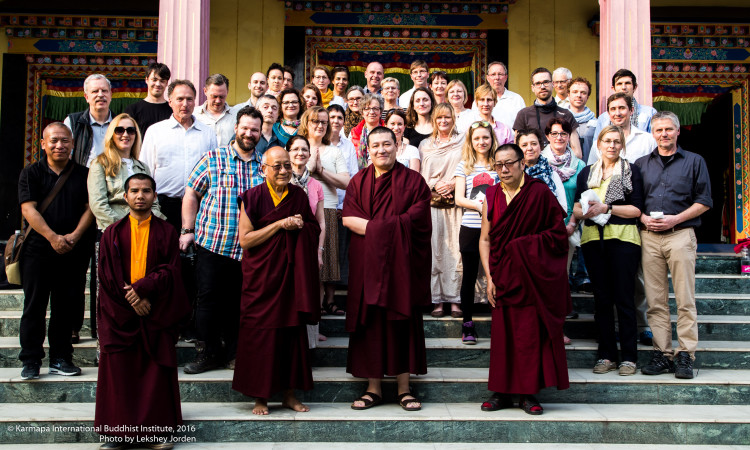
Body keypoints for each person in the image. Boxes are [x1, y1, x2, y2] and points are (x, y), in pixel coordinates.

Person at [95, 173, 191, 448]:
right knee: (120, 374)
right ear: (125, 197)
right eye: (134, 191)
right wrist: (134, 300)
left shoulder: (167, 231)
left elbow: (171, 270)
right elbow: (108, 276)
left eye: (146, 191)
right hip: (121, 313)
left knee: (154, 375)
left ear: (154, 196)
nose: (140, 196)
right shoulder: (112, 232)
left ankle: (156, 433)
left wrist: (145, 290)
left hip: (156, 311)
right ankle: (118, 433)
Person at [343, 126, 431, 412]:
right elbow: (348, 219)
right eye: (375, 145)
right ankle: (373, 388)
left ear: (398, 145)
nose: (381, 150)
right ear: (368, 149)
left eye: (387, 144)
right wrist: (387, 229)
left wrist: (378, 230)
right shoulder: (358, 181)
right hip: (367, 263)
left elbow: (418, 219)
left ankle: (405, 389)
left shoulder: (414, 181)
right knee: (371, 323)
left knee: (402, 321)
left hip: (401, 264)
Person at [479, 143, 571, 415]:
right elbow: (485, 239)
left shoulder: (539, 193)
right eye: (498, 165)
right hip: (503, 275)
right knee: (503, 336)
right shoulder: (492, 194)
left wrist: (523, 245)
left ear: (522, 164)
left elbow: (557, 236)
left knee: (529, 336)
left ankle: (528, 393)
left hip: (532, 275)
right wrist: (490, 277)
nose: (504, 169)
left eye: (509, 163)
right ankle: (501, 392)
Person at [232, 146, 321, 415]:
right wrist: (279, 225)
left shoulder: (298, 195)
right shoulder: (253, 197)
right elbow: (246, 240)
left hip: (291, 277)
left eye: (287, 166)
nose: (284, 171)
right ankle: (260, 396)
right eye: (277, 166)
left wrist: (302, 227)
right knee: (259, 335)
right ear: (264, 169)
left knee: (291, 334)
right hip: (262, 277)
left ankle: (289, 394)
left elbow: (313, 228)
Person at [180, 106, 266, 374]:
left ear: (261, 132)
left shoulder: (264, 166)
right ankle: (208, 353)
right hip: (213, 243)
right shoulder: (213, 159)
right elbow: (192, 194)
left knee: (241, 303)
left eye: (255, 129)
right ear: (236, 128)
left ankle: (234, 353)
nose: (249, 133)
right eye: (245, 128)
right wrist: (187, 229)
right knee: (207, 301)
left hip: (249, 249)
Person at [636, 111, 712, 380]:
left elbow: (704, 200)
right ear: (653, 134)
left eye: (668, 129)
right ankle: (662, 353)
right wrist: (643, 217)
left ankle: (686, 355)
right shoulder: (642, 164)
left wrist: (676, 219)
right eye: (659, 130)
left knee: (685, 299)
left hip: (681, 233)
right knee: (656, 301)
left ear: (678, 131)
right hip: (649, 236)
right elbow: (635, 202)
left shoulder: (694, 161)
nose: (664, 134)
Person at [18, 123, 94, 380]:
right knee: (34, 305)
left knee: (65, 305)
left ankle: (61, 358)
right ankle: (30, 360)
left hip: (73, 249)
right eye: (53, 141)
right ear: (43, 144)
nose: (59, 145)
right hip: (38, 249)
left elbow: (90, 208)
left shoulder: (84, 173)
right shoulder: (31, 173)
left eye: (64, 140)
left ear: (72, 143)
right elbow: (29, 209)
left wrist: (73, 236)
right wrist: (52, 237)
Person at [87, 114, 166, 343]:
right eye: (120, 130)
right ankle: (108, 342)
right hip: (113, 235)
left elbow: (155, 202)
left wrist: (159, 227)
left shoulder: (142, 166)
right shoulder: (100, 163)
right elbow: (99, 205)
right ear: (112, 134)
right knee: (113, 291)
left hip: (146, 235)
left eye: (130, 131)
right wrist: (123, 231)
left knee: (143, 284)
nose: (125, 135)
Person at [573, 125, 644, 376]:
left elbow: (636, 211)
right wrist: (587, 211)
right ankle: (606, 355)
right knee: (602, 300)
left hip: (624, 240)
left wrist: (606, 209)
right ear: (599, 144)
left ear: (622, 145)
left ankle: (629, 357)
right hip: (593, 241)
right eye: (607, 141)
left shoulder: (630, 171)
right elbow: (577, 209)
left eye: (617, 141)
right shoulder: (587, 173)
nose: (612, 145)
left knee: (624, 299)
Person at [141, 80, 217, 230]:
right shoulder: (155, 131)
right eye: (180, 99)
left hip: (198, 205)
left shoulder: (207, 133)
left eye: (189, 99)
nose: (185, 104)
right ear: (170, 101)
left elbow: (213, 171)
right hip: (163, 206)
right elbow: (145, 170)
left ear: (195, 102)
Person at [299, 106, 351, 315]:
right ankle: (315, 302)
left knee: (329, 256)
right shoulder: (299, 147)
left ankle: (329, 301)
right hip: (304, 210)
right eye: (315, 121)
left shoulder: (334, 151)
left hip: (328, 207)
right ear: (307, 123)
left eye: (324, 122)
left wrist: (321, 171)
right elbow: (299, 175)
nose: (320, 125)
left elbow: (346, 182)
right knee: (310, 258)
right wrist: (311, 164)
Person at [454, 121, 498, 344]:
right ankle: (467, 323)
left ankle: (501, 320)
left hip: (497, 228)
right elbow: (459, 198)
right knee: (469, 276)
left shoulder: (499, 164)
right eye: (477, 138)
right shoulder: (464, 166)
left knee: (498, 273)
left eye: (486, 138)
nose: (482, 142)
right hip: (471, 226)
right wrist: (482, 207)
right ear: (471, 142)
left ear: (492, 139)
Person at [419, 103, 464, 318]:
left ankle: (455, 300)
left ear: (453, 118)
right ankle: (437, 300)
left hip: (456, 203)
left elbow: (469, 167)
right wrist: (436, 186)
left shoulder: (463, 141)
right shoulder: (426, 145)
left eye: (447, 117)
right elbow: (420, 176)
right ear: (434, 121)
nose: (443, 122)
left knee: (454, 252)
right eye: (439, 118)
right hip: (433, 203)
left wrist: (454, 184)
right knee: (436, 251)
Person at [287, 135, 326, 344]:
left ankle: (310, 338)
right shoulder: (281, 182)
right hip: (286, 245)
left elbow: (321, 222)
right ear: (288, 153)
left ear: (310, 154)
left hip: (309, 244)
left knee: (309, 290)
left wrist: (319, 251)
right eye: (295, 149)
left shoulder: (315, 185)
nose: (300, 153)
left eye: (304, 149)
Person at [513, 67, 582, 158]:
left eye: (546, 82)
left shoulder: (566, 114)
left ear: (552, 84)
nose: (542, 86)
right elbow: (517, 151)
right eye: (538, 83)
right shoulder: (524, 114)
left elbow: (577, 153)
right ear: (532, 88)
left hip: (562, 168)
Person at [588, 93, 658, 165]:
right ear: (608, 114)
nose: (617, 113)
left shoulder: (648, 141)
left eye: (622, 108)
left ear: (631, 110)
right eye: (613, 109)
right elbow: (591, 172)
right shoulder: (598, 144)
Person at [591, 69, 657, 139]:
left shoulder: (650, 113)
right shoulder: (603, 118)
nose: (623, 87)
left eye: (627, 83)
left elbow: (654, 142)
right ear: (613, 88)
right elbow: (597, 144)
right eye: (619, 84)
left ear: (635, 87)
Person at [64, 74, 113, 167]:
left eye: (104, 91)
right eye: (95, 91)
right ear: (86, 97)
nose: (100, 94)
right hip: (82, 178)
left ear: (111, 95)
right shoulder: (73, 122)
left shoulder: (120, 123)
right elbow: (66, 156)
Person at [517, 128, 568, 213]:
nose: (529, 148)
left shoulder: (551, 175)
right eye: (524, 145)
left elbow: (562, 207)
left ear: (540, 146)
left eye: (533, 144)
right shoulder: (513, 175)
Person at [471, 61, 525, 129]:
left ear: (506, 77)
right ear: (488, 78)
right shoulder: (480, 101)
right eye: (493, 74)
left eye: (500, 74)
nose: (497, 78)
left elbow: (523, 124)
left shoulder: (517, 99)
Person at [125, 62, 172, 135]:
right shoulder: (133, 110)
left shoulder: (173, 110)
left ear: (166, 83)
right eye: (154, 80)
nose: (158, 84)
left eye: (162, 81)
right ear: (146, 80)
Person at [195, 73, 235, 146]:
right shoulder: (194, 115)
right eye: (214, 96)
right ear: (205, 91)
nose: (218, 101)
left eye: (222, 97)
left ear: (227, 92)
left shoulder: (236, 115)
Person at [567, 77, 597, 163]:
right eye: (575, 92)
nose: (579, 95)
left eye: (583, 93)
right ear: (568, 95)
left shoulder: (595, 122)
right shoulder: (561, 120)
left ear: (587, 97)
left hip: (590, 168)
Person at [350, 93, 385, 166]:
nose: (371, 112)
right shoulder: (354, 133)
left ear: (380, 112)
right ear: (362, 112)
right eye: (367, 109)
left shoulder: (388, 131)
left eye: (375, 108)